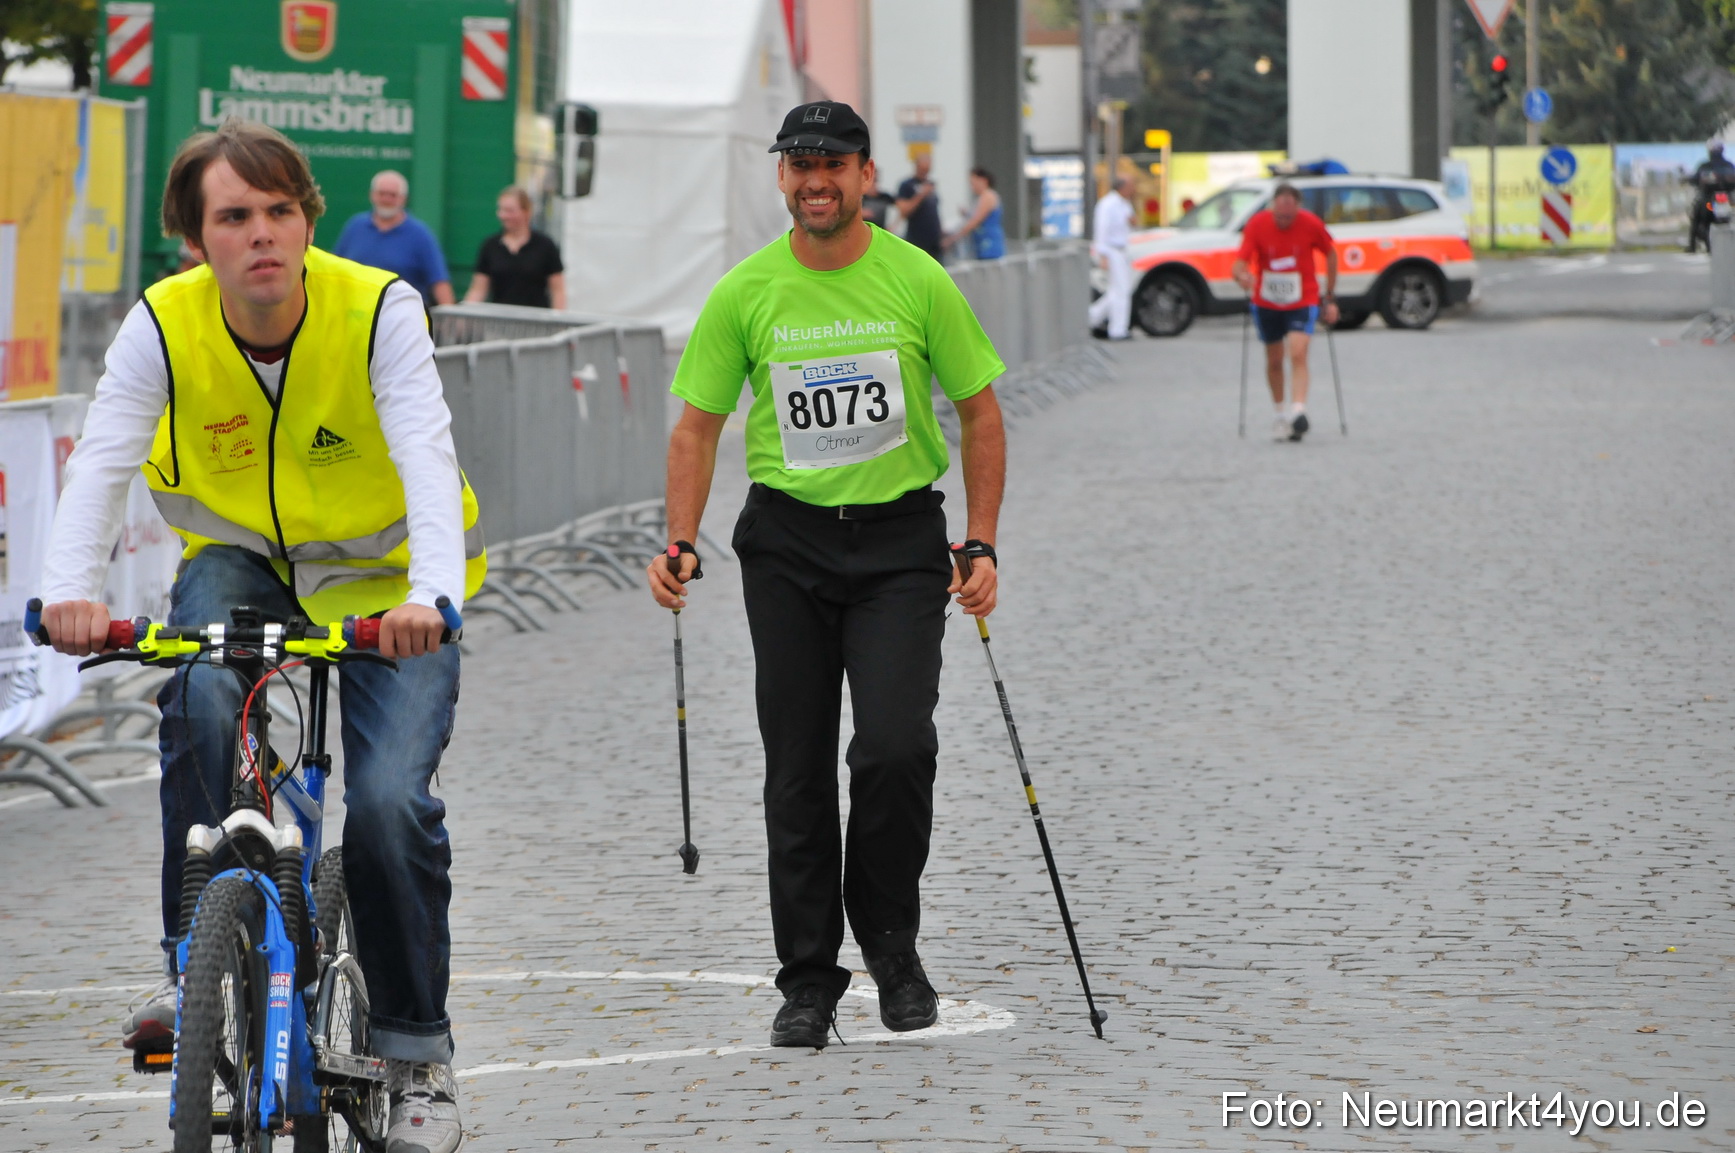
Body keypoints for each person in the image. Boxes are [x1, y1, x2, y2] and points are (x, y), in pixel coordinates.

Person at [36, 119, 485, 1153]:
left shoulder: (379, 307)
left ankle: (417, 1050)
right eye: (234, 217)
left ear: (308, 219)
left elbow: (424, 451)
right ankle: (190, 957)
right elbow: (102, 460)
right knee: (195, 694)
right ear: (197, 238)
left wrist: (427, 594)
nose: (262, 235)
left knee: (386, 804)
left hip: (386, 583)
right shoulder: (163, 322)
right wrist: (69, 593)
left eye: (280, 210)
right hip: (241, 563)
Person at [646, 100, 1007, 1050]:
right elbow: (696, 424)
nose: (816, 180)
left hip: (897, 543)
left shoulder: (917, 279)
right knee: (796, 765)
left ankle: (890, 943)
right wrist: (679, 539)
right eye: (799, 164)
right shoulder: (747, 290)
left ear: (863, 173)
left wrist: (981, 540)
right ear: (781, 178)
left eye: (833, 164)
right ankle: (807, 975)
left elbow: (978, 409)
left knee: (894, 746)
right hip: (789, 544)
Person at [1231, 182, 1339, 442]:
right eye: (1279, 216)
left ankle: (1298, 411)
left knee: (1298, 352)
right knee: (1274, 359)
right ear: (1272, 208)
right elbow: (1240, 261)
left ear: (1298, 209)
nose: (1284, 221)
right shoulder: (1257, 224)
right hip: (1267, 300)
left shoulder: (1311, 224)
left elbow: (1331, 253)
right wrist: (1241, 277)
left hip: (1303, 297)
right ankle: (1280, 413)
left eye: (1289, 217)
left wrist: (1330, 295)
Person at [333, 169, 456, 305]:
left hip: (402, 314)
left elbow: (439, 281)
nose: (386, 199)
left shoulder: (420, 235)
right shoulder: (354, 226)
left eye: (393, 195)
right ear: (372, 195)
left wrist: (451, 319)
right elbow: (336, 271)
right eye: (382, 193)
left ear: (404, 199)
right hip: (354, 310)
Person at [464, 185, 567, 309]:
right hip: (499, 319)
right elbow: (478, 289)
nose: (503, 215)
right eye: (501, 210)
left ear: (526, 212)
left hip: (536, 320)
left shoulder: (545, 245)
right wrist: (464, 313)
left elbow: (557, 290)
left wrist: (558, 318)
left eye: (509, 211)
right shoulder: (490, 245)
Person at [1087, 174, 1136, 340]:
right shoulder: (1108, 204)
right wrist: (1102, 255)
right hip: (1111, 250)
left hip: (1122, 249)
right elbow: (1101, 229)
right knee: (1120, 290)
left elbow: (1131, 223)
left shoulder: (1125, 204)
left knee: (1119, 290)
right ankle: (1118, 329)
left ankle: (1091, 317)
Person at [1683, 140, 1735, 254]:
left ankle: (1692, 246)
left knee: (1696, 217)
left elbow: (1695, 178)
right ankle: (1692, 245)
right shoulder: (1728, 165)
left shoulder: (1705, 166)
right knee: (1697, 214)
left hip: (1710, 201)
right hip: (1726, 200)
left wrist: (1689, 179)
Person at [944, 166, 1005, 260]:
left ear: (983, 180)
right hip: (981, 244)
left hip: (989, 244)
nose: (972, 187)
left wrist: (954, 238)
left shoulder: (988, 196)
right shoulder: (981, 198)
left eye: (973, 183)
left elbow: (976, 220)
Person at [894, 150, 944, 261]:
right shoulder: (906, 185)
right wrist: (921, 195)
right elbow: (903, 210)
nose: (925, 172)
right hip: (917, 239)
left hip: (934, 240)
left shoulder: (930, 184)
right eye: (923, 169)